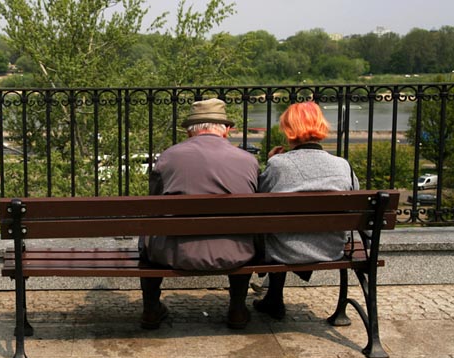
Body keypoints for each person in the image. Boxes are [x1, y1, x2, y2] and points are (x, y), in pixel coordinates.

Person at [138, 98, 260, 330]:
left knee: (148, 230)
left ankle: (151, 309)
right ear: (226, 130)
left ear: (188, 131)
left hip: (174, 253)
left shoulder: (168, 157)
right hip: (236, 252)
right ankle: (236, 309)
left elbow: (153, 205)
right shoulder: (248, 160)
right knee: (243, 230)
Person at [252, 101, 359, 320]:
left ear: (288, 130)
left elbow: (260, 201)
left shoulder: (279, 164)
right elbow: (355, 202)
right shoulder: (342, 165)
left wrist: (272, 162)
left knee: (274, 230)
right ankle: (273, 297)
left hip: (284, 250)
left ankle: (273, 298)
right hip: (330, 249)